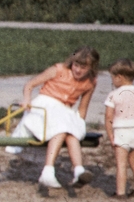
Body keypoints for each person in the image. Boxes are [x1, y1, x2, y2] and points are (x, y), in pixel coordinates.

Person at [13, 47, 99, 189]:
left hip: (64, 112)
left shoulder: (90, 82)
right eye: (76, 65)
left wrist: (78, 125)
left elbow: (82, 108)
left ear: (91, 68)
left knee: (71, 132)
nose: (78, 70)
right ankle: (48, 171)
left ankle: (78, 170)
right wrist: (27, 99)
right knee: (61, 128)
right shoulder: (59, 70)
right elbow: (30, 84)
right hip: (44, 107)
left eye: (83, 67)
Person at [103, 58, 134, 197]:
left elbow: (108, 118)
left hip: (121, 133)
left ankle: (120, 192)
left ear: (119, 77)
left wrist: (111, 136)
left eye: (112, 77)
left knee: (121, 164)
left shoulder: (113, 95)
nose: (112, 80)